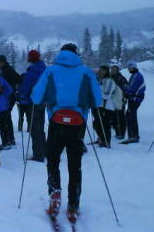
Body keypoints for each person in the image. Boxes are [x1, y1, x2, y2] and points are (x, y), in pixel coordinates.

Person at [31, 45, 101, 223]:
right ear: (76, 54)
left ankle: (55, 192)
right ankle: (74, 205)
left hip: (56, 122)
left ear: (60, 54)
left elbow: (36, 97)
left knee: (53, 160)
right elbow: (97, 99)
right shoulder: (86, 72)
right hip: (78, 124)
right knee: (75, 165)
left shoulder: (51, 71)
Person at [18, 50, 47, 161]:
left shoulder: (32, 70)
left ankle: (38, 155)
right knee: (40, 127)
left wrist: (21, 95)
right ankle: (44, 151)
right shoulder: (44, 69)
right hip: (42, 101)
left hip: (32, 102)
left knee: (34, 129)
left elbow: (25, 87)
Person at [0, 55, 21, 150]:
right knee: (6, 118)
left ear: (3, 62)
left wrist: (14, 89)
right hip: (6, 97)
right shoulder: (2, 70)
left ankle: (7, 141)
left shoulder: (7, 70)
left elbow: (19, 78)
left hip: (9, 97)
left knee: (4, 118)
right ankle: (10, 140)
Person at [121, 60, 145, 144]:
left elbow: (133, 87)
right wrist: (125, 88)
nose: (128, 69)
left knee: (130, 116)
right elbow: (130, 86)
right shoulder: (134, 75)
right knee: (131, 115)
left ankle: (133, 136)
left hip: (135, 99)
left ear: (133, 67)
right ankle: (134, 136)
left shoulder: (137, 76)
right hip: (133, 98)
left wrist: (127, 93)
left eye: (129, 67)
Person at [93, 65, 116, 148]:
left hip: (107, 107)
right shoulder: (99, 80)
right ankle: (101, 139)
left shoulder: (109, 81)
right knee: (96, 124)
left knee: (104, 125)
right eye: (101, 70)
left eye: (104, 70)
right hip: (98, 105)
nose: (102, 72)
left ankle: (106, 142)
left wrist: (96, 92)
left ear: (107, 72)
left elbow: (107, 94)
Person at [110, 64, 128, 139]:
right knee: (113, 117)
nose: (113, 71)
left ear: (118, 70)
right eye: (112, 69)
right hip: (112, 100)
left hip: (120, 100)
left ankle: (121, 133)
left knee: (120, 117)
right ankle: (117, 132)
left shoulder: (121, 78)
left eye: (115, 69)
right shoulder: (110, 78)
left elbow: (126, 89)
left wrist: (124, 97)